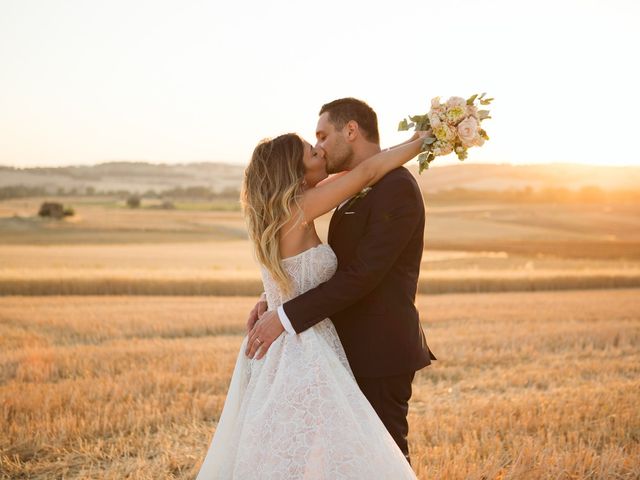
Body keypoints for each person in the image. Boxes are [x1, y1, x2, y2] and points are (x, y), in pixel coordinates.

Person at [196, 101, 431, 479]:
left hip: (369, 347)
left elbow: (359, 272)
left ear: (350, 130)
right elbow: (367, 173)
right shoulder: (312, 203)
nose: (319, 147)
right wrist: (423, 139)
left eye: (321, 137)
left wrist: (274, 302)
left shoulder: (390, 187)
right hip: (308, 347)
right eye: (312, 146)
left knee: (368, 454)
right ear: (294, 169)